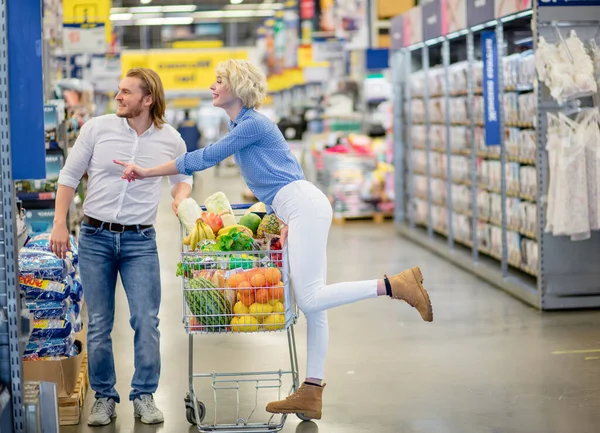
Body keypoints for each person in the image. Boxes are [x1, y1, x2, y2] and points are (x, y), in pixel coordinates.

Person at [113, 60, 433, 421]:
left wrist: (146, 171)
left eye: (219, 80)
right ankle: (311, 392)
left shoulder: (251, 124)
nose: (212, 86)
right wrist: (283, 218)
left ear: (236, 86)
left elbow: (204, 157)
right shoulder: (245, 125)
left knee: (311, 297)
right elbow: (289, 172)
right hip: (299, 206)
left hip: (303, 206)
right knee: (314, 307)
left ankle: (395, 285)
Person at [50, 68, 193, 426]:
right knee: (99, 322)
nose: (118, 97)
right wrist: (58, 224)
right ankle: (104, 397)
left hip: (140, 240)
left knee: (146, 320)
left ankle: (144, 395)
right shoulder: (97, 129)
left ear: (148, 99)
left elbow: (182, 179)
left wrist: (181, 201)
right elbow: (68, 176)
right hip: (95, 237)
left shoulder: (171, 140)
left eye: (126, 92)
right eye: (119, 91)